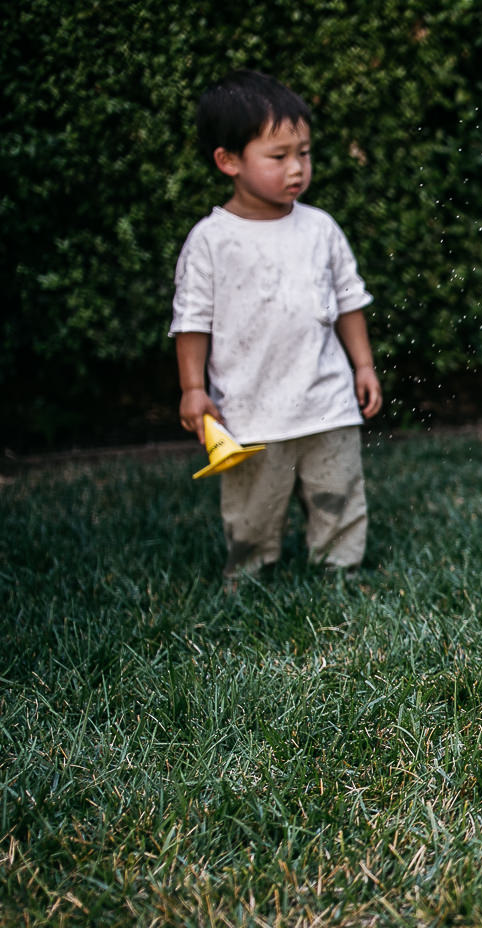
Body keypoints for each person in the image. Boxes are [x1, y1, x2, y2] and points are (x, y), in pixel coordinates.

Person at [171, 69, 382, 578]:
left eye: (303, 154)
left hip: (327, 402)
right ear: (229, 161)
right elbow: (192, 321)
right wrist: (193, 389)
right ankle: (249, 573)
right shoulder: (212, 241)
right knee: (252, 511)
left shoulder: (320, 228)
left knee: (338, 494)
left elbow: (348, 301)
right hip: (250, 411)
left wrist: (363, 365)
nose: (297, 169)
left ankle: (341, 570)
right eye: (278, 156)